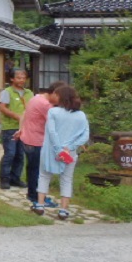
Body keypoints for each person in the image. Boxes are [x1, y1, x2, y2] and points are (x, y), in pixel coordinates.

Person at [31, 85, 90, 221]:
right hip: (70, 153)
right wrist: (69, 147)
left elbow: (52, 132)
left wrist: (58, 149)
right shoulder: (81, 115)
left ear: (62, 97)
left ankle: (40, 205)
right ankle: (63, 210)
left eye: (56, 94)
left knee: (44, 176)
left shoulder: (53, 112)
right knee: (67, 179)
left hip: (50, 150)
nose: (54, 96)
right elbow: (85, 136)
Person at [17, 81, 66, 205]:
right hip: (36, 141)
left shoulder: (36, 97)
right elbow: (57, 124)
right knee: (39, 172)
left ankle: (32, 193)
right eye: (60, 97)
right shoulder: (45, 105)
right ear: (54, 93)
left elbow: (24, 114)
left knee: (32, 169)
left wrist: (20, 129)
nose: (60, 101)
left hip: (28, 138)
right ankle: (36, 197)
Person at [0, 69, 32, 189]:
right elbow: (2, 108)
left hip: (25, 128)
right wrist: (17, 117)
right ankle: (4, 178)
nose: (21, 80)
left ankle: (15, 178)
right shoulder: (7, 92)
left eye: (23, 77)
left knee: (20, 155)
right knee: (10, 153)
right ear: (12, 79)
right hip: (10, 127)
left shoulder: (29, 93)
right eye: (18, 77)